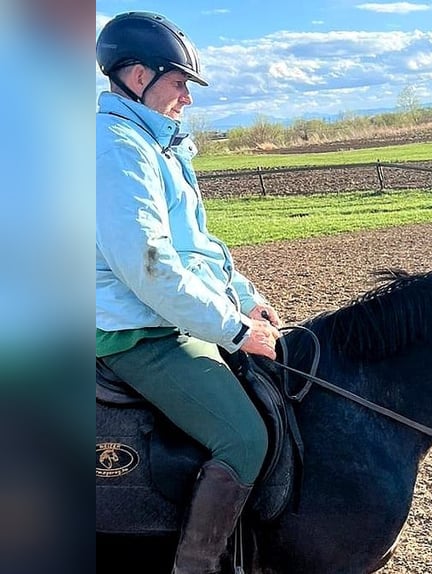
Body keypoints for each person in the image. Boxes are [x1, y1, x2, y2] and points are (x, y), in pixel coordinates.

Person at [96, 11, 282, 573]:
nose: (188, 98)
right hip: (135, 328)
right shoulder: (116, 148)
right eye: (179, 83)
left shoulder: (160, 145)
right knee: (246, 440)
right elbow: (149, 266)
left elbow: (195, 244)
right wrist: (232, 329)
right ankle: (194, 567)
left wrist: (243, 295)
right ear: (136, 77)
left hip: (169, 310)